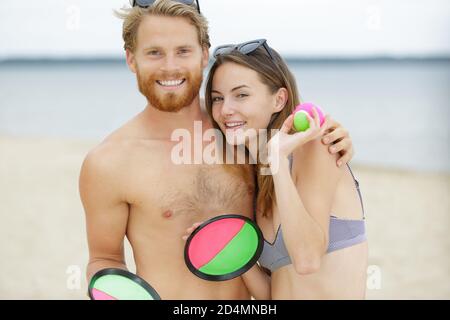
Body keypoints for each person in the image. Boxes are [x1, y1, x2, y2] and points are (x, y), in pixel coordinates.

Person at [80, 0, 355, 299]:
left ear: (203, 54)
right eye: (154, 52)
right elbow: (105, 260)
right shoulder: (108, 163)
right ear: (132, 60)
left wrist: (331, 136)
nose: (170, 66)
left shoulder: (243, 135)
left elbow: (292, 134)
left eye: (183, 51)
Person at [186, 39, 368, 299]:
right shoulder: (258, 176)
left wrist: (278, 161)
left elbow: (307, 260)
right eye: (217, 98)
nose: (225, 110)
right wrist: (228, 247)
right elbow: (274, 293)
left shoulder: (316, 147)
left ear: (279, 100)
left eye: (241, 95)